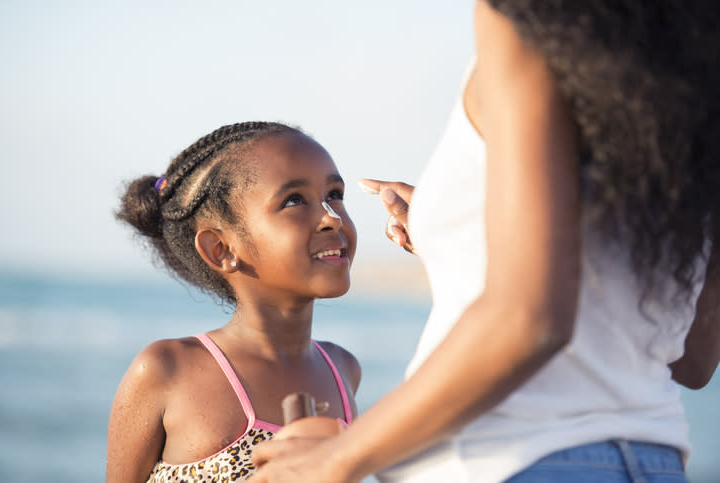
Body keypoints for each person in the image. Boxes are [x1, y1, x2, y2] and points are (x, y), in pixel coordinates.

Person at [250, 1, 720, 482]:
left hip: (507, 460)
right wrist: (460, 234)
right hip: (653, 460)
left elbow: (529, 318)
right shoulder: (694, 66)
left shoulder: (526, 19)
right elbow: (695, 355)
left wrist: (339, 456)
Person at [106, 121, 361, 482]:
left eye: (334, 194)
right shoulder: (166, 370)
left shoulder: (343, 370)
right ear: (221, 249)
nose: (331, 218)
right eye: (294, 200)